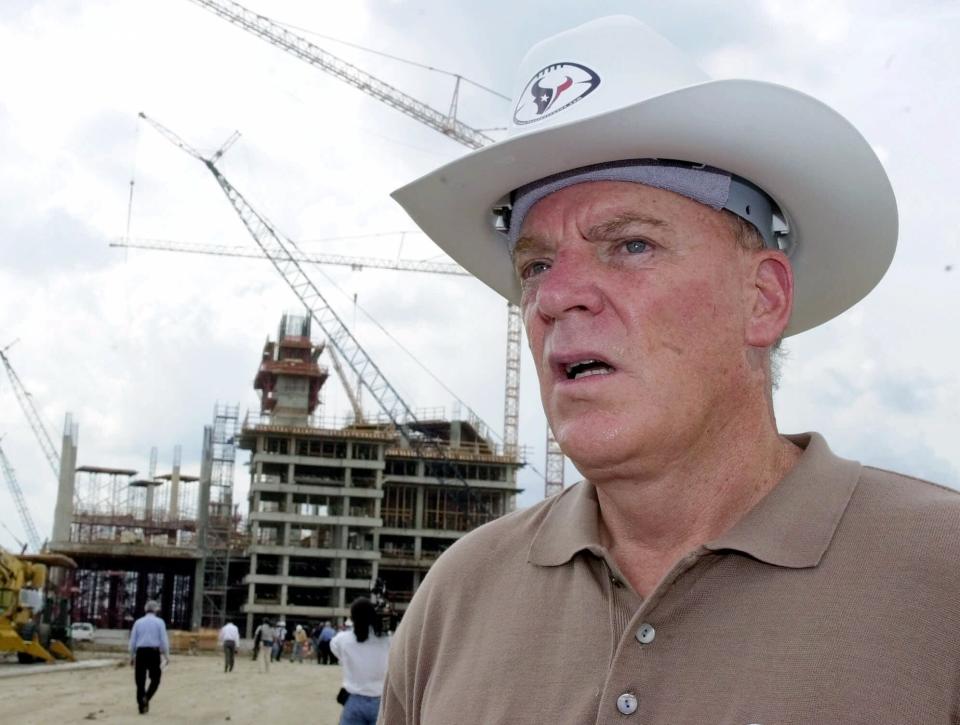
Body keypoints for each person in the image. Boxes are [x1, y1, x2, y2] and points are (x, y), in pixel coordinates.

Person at [382, 15, 960, 724]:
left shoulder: (942, 578)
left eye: (629, 245)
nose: (554, 297)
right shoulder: (457, 598)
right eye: (535, 265)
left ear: (763, 298)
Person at [330, 598, 390, 725]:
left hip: (354, 700)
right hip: (381, 701)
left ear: (352, 617)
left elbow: (335, 649)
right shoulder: (388, 640)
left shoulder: (342, 640)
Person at [128, 600, 170, 715]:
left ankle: (141, 706)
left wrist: (131, 656)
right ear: (156, 610)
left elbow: (132, 641)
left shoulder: (138, 622)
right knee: (156, 679)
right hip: (153, 653)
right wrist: (166, 655)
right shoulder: (160, 622)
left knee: (140, 681)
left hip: (140, 653)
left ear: (145, 609)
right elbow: (164, 641)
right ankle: (146, 697)